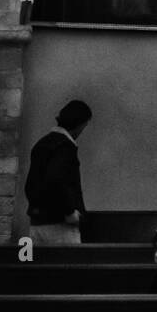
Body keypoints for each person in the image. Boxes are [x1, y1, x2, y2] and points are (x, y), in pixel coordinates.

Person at [24, 100, 91, 245]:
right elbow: (56, 180)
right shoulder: (65, 148)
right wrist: (70, 211)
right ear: (79, 124)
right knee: (67, 266)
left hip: (37, 223)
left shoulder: (41, 145)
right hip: (61, 225)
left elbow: (30, 185)